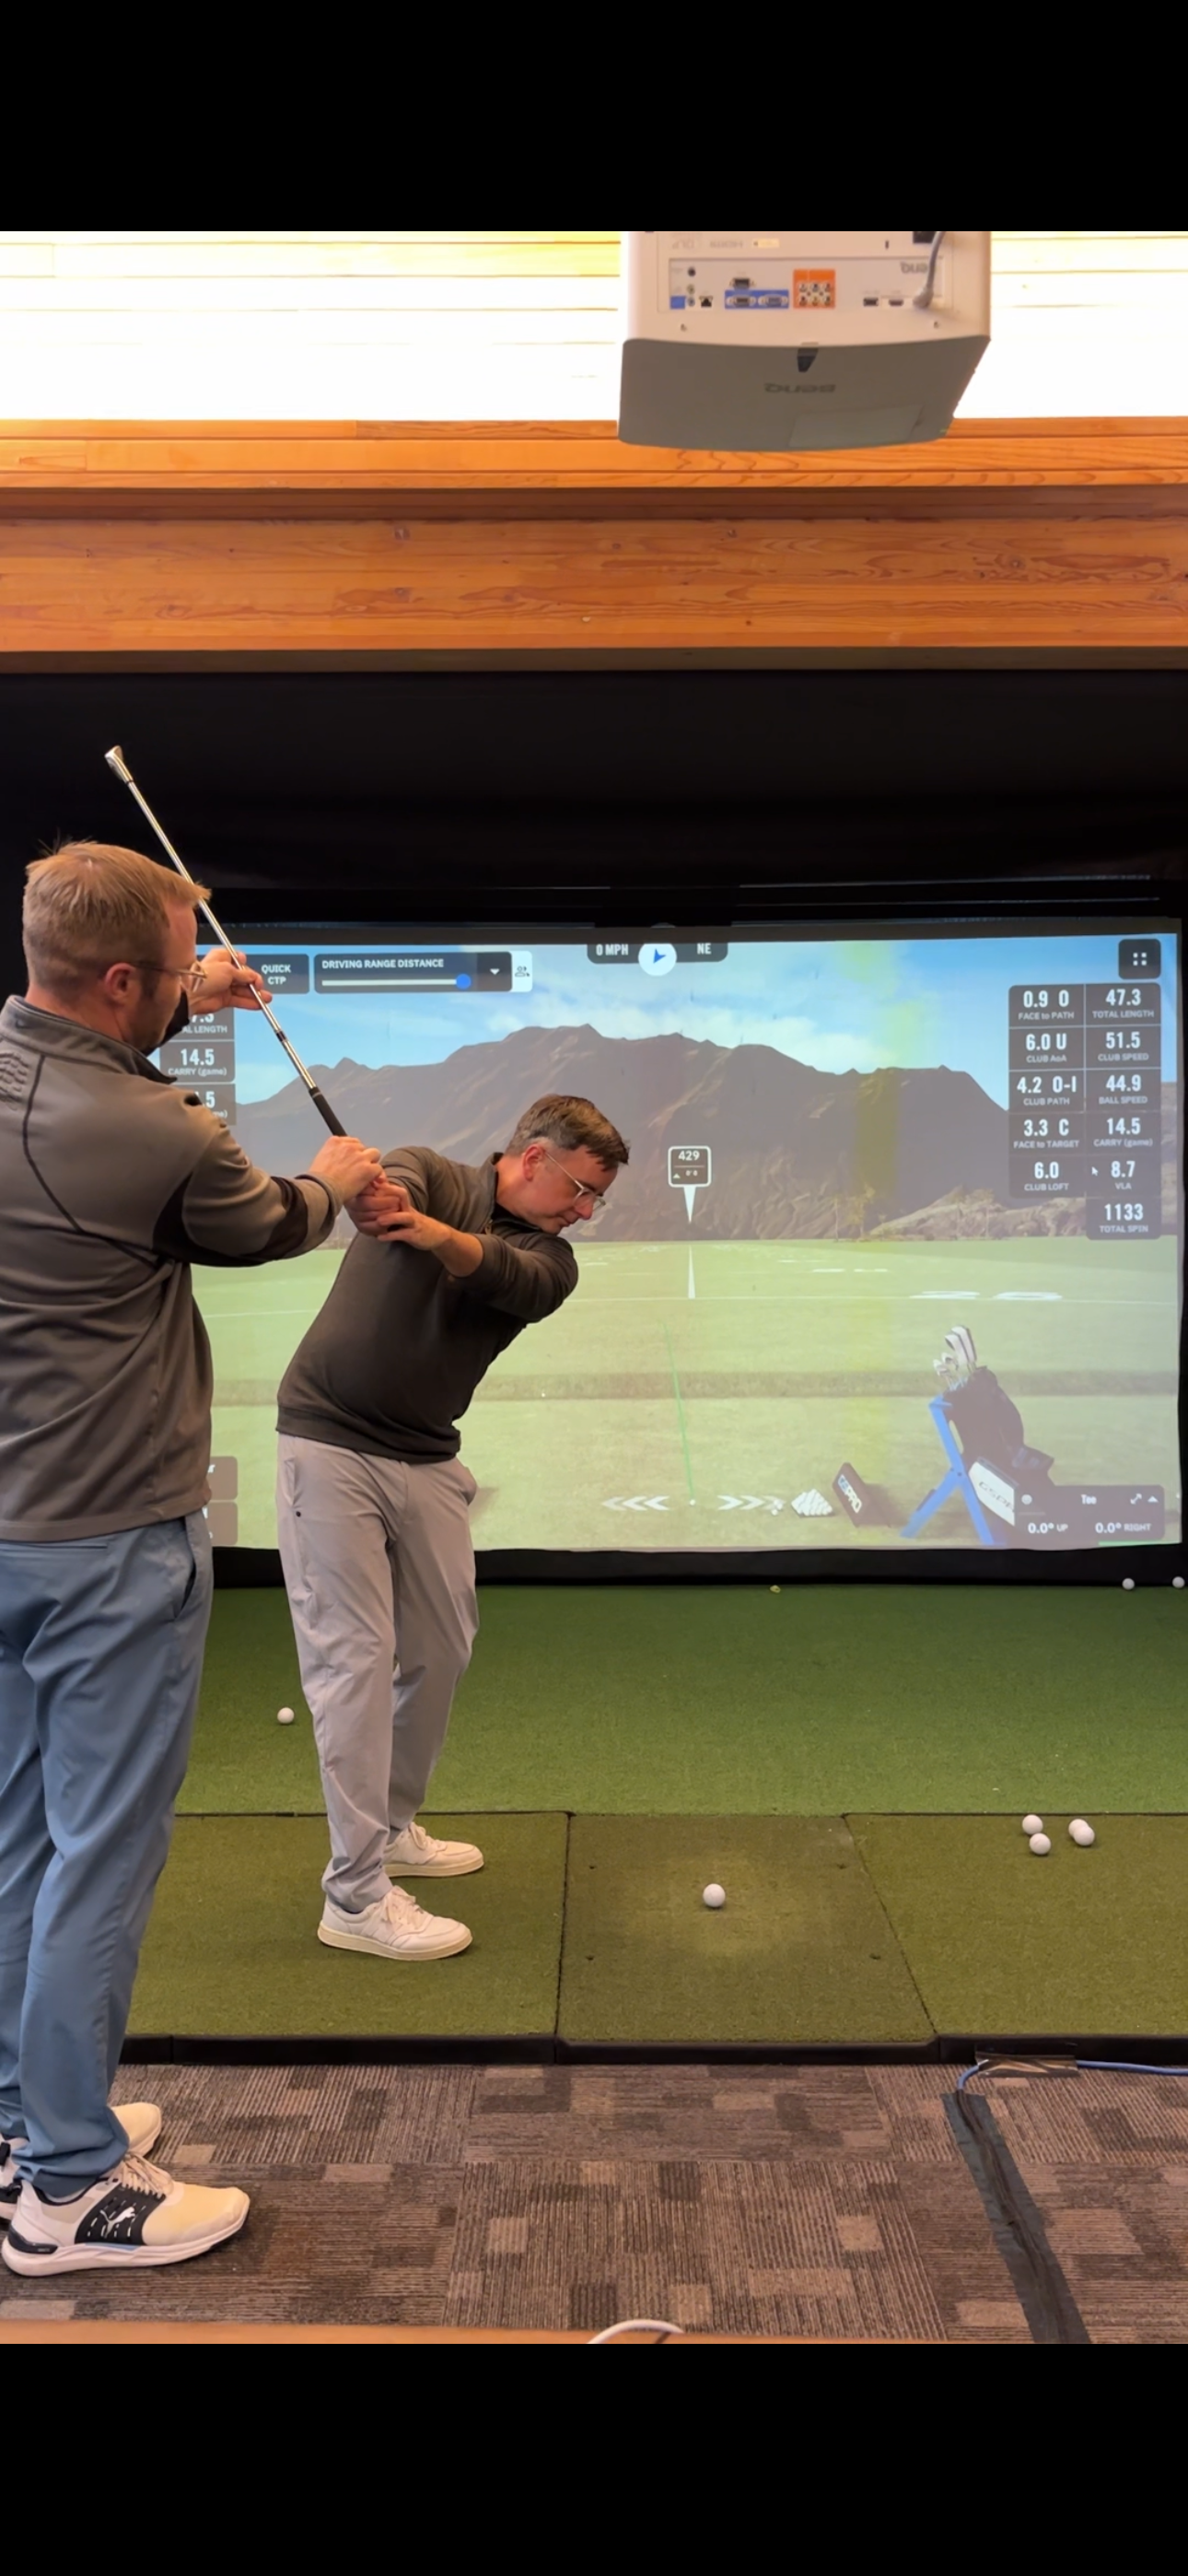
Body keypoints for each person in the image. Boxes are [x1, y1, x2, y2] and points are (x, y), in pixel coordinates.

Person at [0, 843, 380, 2277]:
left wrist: (185, 990)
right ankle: (73, 2194)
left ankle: (30, 2120)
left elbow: (70, 1037)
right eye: (169, 975)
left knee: (18, 1840)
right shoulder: (163, 1131)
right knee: (99, 1854)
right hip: (103, 1539)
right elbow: (270, 1220)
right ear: (117, 982)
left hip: (5, 1530)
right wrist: (337, 1175)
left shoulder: (32, 1052)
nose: (189, 990)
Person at [275, 1095, 629, 1961]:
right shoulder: (431, 1172)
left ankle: (392, 1827)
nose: (585, 1212)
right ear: (534, 1157)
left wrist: (426, 1233)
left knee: (441, 1646)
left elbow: (501, 1272)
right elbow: (392, 1180)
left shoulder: (553, 1259)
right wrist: (378, 1199)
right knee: (353, 1659)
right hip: (327, 1438)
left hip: (428, 1454)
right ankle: (354, 1895)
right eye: (582, 1190)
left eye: (597, 1202)